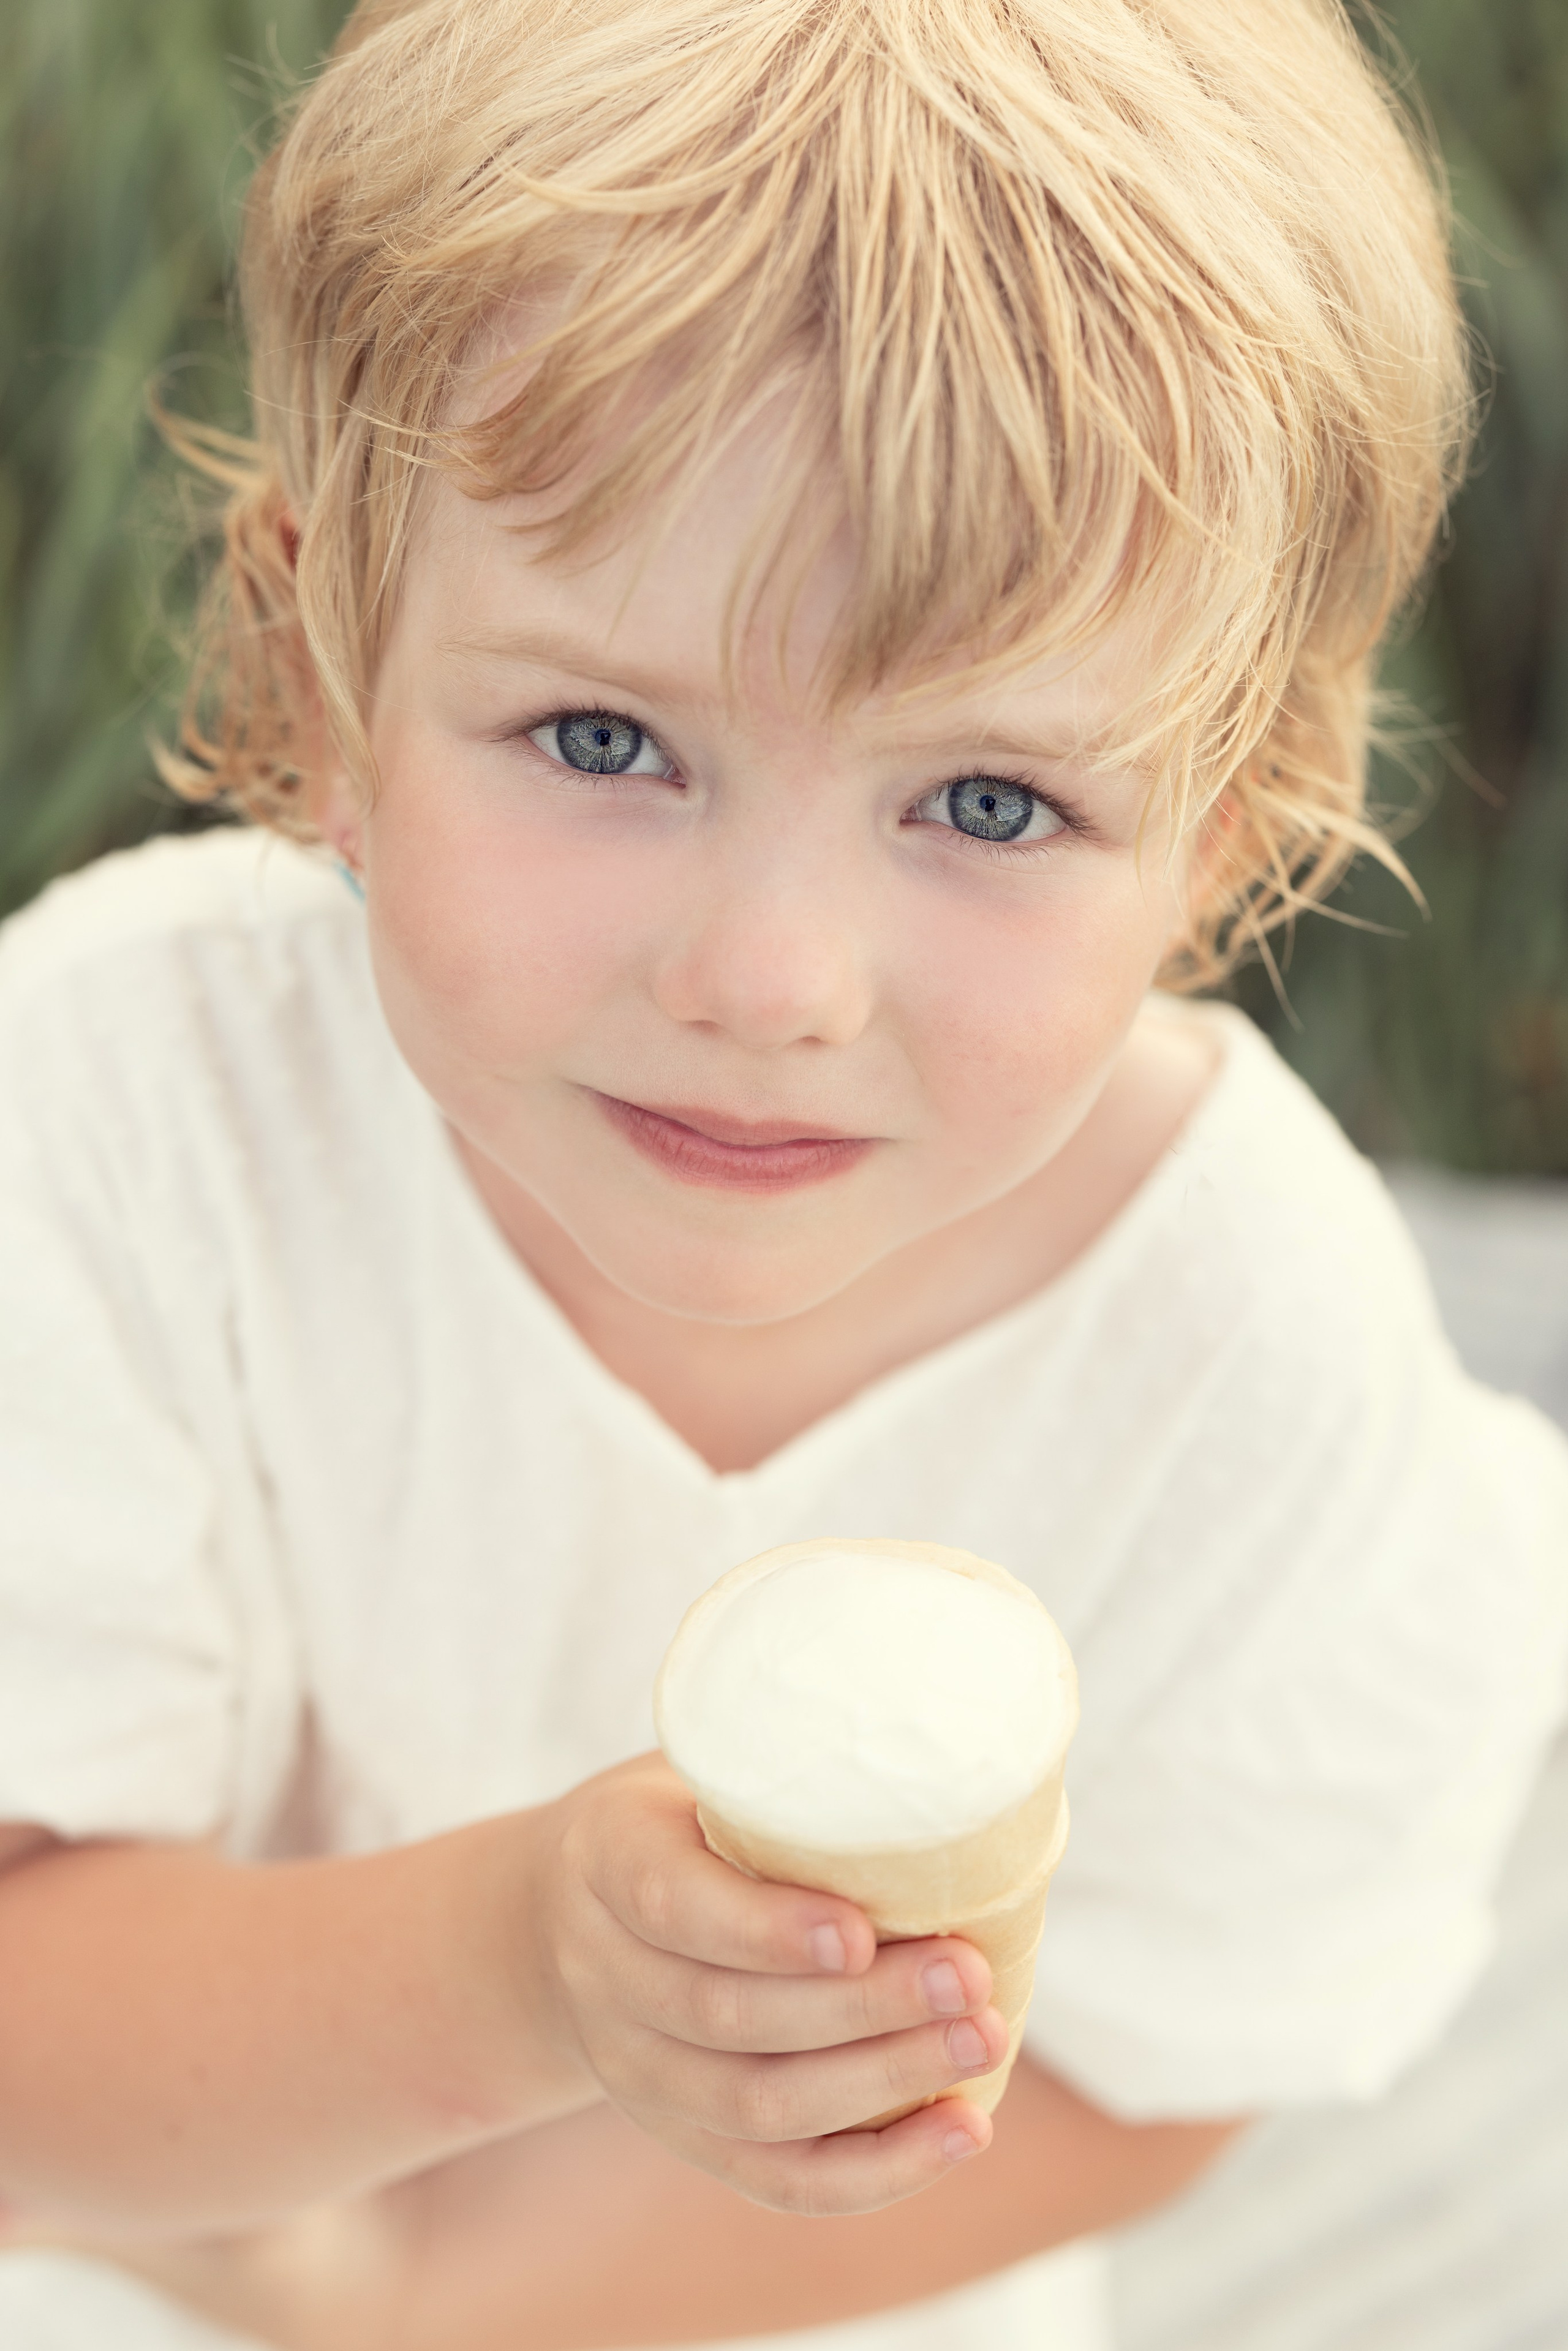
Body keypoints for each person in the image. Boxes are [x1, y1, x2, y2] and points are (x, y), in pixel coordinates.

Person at [0, 1, 1564, 2346]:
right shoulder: (135, 1114)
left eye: (993, 805)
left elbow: (1170, 2043)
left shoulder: (1242, 1335)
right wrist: (523, 1969)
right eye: (606, 738)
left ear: (1221, 829)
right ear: (327, 679)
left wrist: (436, 2307)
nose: (771, 979)